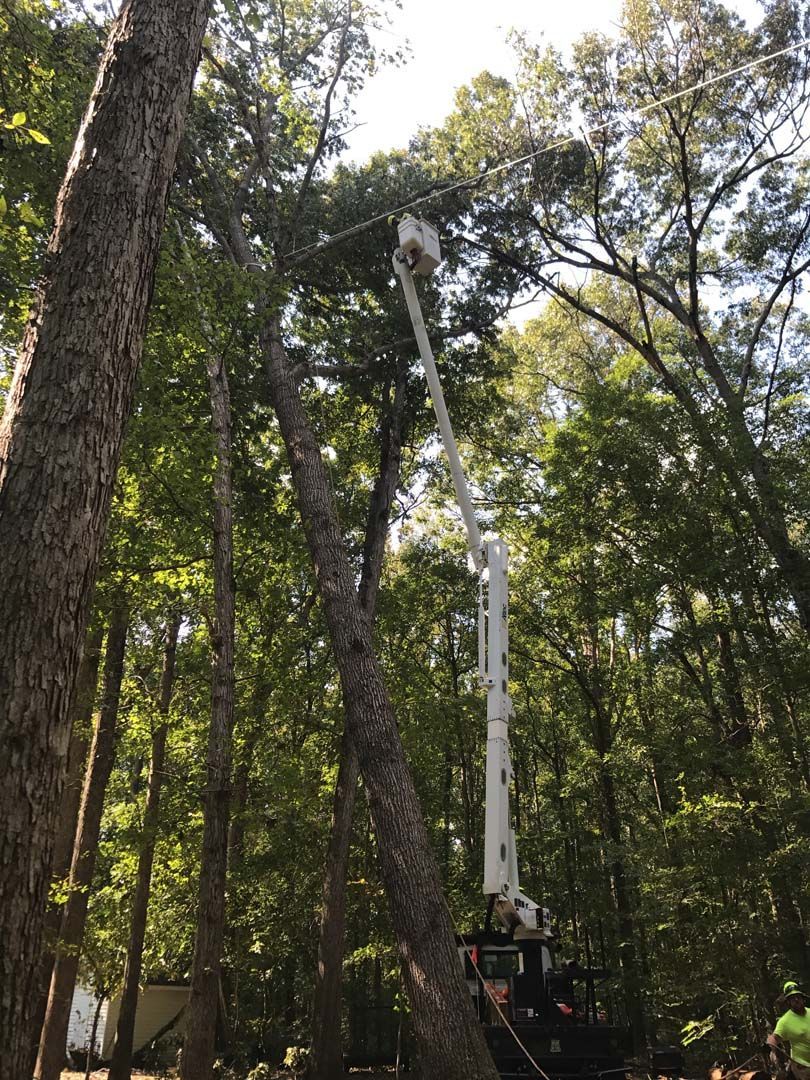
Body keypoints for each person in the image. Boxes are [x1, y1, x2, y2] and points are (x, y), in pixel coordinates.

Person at [768, 982, 810, 1080]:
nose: (796, 1000)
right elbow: (774, 1038)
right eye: (792, 998)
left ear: (802, 998)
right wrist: (769, 1044)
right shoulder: (785, 1021)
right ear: (788, 1002)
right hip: (802, 1067)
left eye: (797, 996)